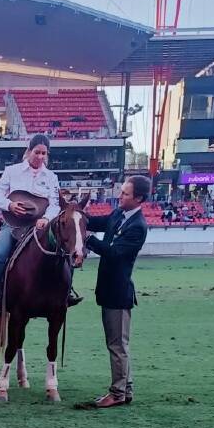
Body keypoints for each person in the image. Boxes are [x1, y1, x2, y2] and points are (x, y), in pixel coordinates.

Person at [80, 175, 151, 409]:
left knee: (117, 345)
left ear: (138, 198)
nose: (120, 196)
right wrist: (75, 215)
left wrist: (88, 240)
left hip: (118, 293)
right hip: (109, 290)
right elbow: (95, 222)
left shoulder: (138, 227)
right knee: (118, 343)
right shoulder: (118, 215)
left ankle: (117, 393)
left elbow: (114, 253)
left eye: (125, 194)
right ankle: (125, 389)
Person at [0, 133, 75, 312]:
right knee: (0, 253)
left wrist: (46, 218)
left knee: (65, 251)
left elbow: (55, 204)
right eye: (37, 152)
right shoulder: (12, 171)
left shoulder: (51, 177)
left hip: (42, 226)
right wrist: (10, 205)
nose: (40, 157)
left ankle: (67, 291)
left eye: (44, 154)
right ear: (29, 151)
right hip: (14, 224)